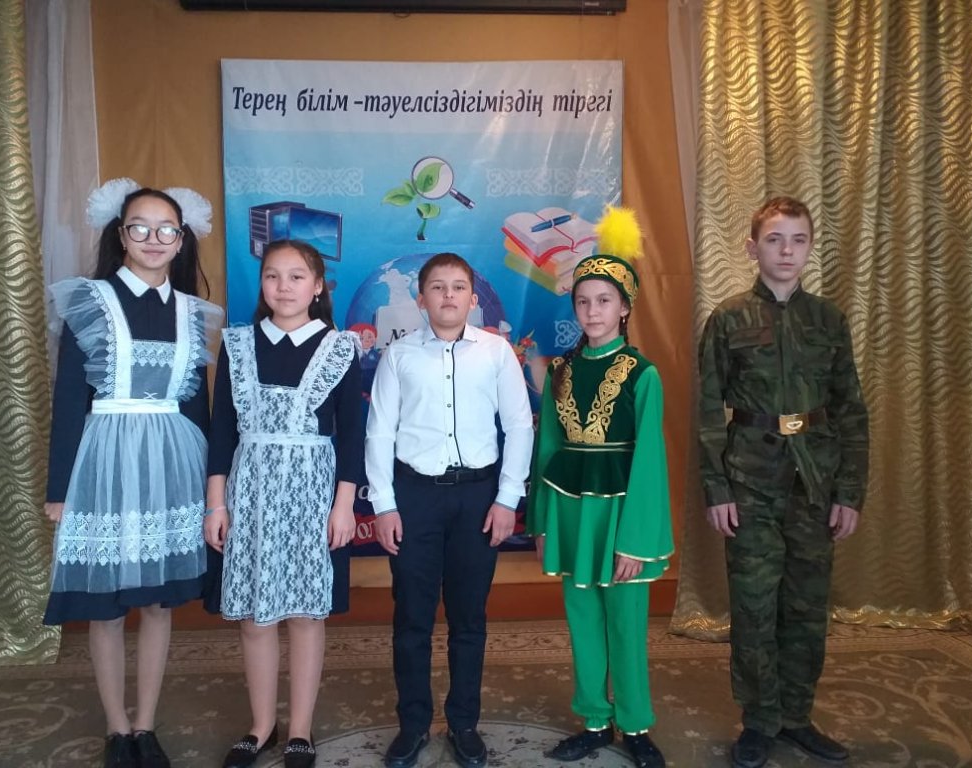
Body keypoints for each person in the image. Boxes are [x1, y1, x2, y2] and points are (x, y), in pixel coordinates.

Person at [43, 178, 223, 768]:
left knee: (159, 603)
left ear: (181, 240)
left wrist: (211, 490)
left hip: (173, 463)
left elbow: (198, 406)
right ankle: (117, 730)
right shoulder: (91, 301)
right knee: (107, 603)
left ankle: (145, 723)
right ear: (121, 235)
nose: (153, 238)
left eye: (166, 229)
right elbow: (69, 398)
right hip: (104, 462)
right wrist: (60, 490)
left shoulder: (191, 313)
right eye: (140, 227)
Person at [698, 196, 869, 768]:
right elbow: (707, 412)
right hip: (750, 479)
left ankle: (796, 716)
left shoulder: (828, 320)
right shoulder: (727, 319)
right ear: (753, 248)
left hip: (814, 481)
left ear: (810, 248)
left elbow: (851, 411)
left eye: (798, 240)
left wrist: (849, 492)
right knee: (753, 606)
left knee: (806, 605)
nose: (787, 250)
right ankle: (759, 720)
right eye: (774, 239)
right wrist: (717, 489)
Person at [365, 253, 534, 768]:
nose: (448, 296)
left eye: (458, 287)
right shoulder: (399, 356)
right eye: (437, 287)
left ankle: (464, 723)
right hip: (414, 497)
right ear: (421, 299)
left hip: (477, 498)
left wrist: (507, 499)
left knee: (469, 618)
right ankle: (413, 725)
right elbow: (379, 432)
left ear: (472, 299)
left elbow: (519, 426)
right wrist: (385, 505)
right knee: (412, 618)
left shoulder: (497, 352)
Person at [204, 239, 362, 768]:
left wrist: (344, 505)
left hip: (312, 493)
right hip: (249, 491)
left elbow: (353, 435)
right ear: (262, 284)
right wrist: (216, 504)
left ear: (317, 287)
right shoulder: (239, 344)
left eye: (297, 277)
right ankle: (260, 725)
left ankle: (299, 729)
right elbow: (222, 428)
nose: (284, 286)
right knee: (255, 616)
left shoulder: (339, 348)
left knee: (304, 614)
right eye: (272, 275)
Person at [525, 207, 673, 768]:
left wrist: (636, 540)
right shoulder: (559, 371)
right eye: (583, 301)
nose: (592, 311)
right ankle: (593, 718)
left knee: (626, 623)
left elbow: (650, 463)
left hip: (621, 518)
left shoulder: (642, 374)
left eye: (604, 301)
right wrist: (541, 522)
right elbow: (548, 450)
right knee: (582, 618)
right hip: (570, 514)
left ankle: (634, 724)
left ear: (625, 308)